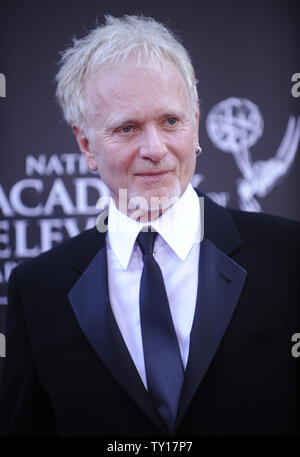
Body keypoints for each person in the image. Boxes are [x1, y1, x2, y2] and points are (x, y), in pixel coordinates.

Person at [0, 14, 299, 437]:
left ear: (195, 122)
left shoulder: (289, 255)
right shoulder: (37, 290)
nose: (155, 149)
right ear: (86, 144)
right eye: (128, 128)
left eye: (171, 121)